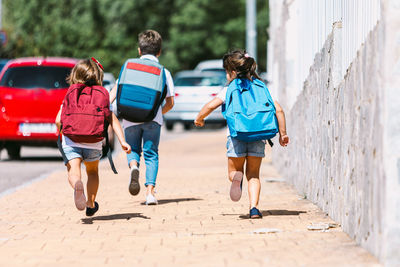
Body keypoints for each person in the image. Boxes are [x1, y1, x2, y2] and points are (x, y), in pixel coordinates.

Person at [194, 50, 289, 219]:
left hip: (237, 136)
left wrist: (200, 118)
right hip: (258, 136)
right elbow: (279, 109)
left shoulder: (230, 88)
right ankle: (254, 208)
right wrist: (283, 134)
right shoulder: (261, 87)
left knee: (234, 171)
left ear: (231, 72)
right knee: (253, 175)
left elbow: (210, 106)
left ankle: (236, 177)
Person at [55, 58, 131, 216]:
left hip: (71, 139)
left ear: (75, 75)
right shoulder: (101, 94)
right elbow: (112, 119)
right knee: (93, 172)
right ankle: (90, 203)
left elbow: (57, 120)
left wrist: (61, 132)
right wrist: (123, 141)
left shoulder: (71, 93)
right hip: (94, 141)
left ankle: (77, 184)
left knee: (74, 171)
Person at [109, 30, 175, 205]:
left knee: (132, 150)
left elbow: (113, 95)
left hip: (130, 117)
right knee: (151, 154)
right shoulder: (164, 72)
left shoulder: (129, 67)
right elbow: (170, 103)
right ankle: (150, 193)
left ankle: (134, 167)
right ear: (159, 51)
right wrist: (157, 113)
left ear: (139, 50)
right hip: (153, 119)